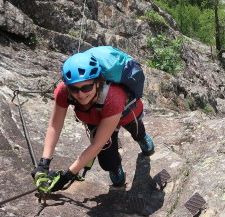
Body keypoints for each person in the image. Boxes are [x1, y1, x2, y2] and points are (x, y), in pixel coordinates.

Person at [32, 51, 154, 191]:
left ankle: (142, 138)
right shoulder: (64, 91)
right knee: (107, 162)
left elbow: (97, 144)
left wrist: (68, 175)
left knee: (136, 131)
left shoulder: (113, 96)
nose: (81, 95)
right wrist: (44, 163)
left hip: (126, 114)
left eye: (86, 87)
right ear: (68, 86)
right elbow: (55, 126)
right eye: (74, 89)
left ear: (98, 82)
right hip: (96, 119)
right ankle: (115, 167)